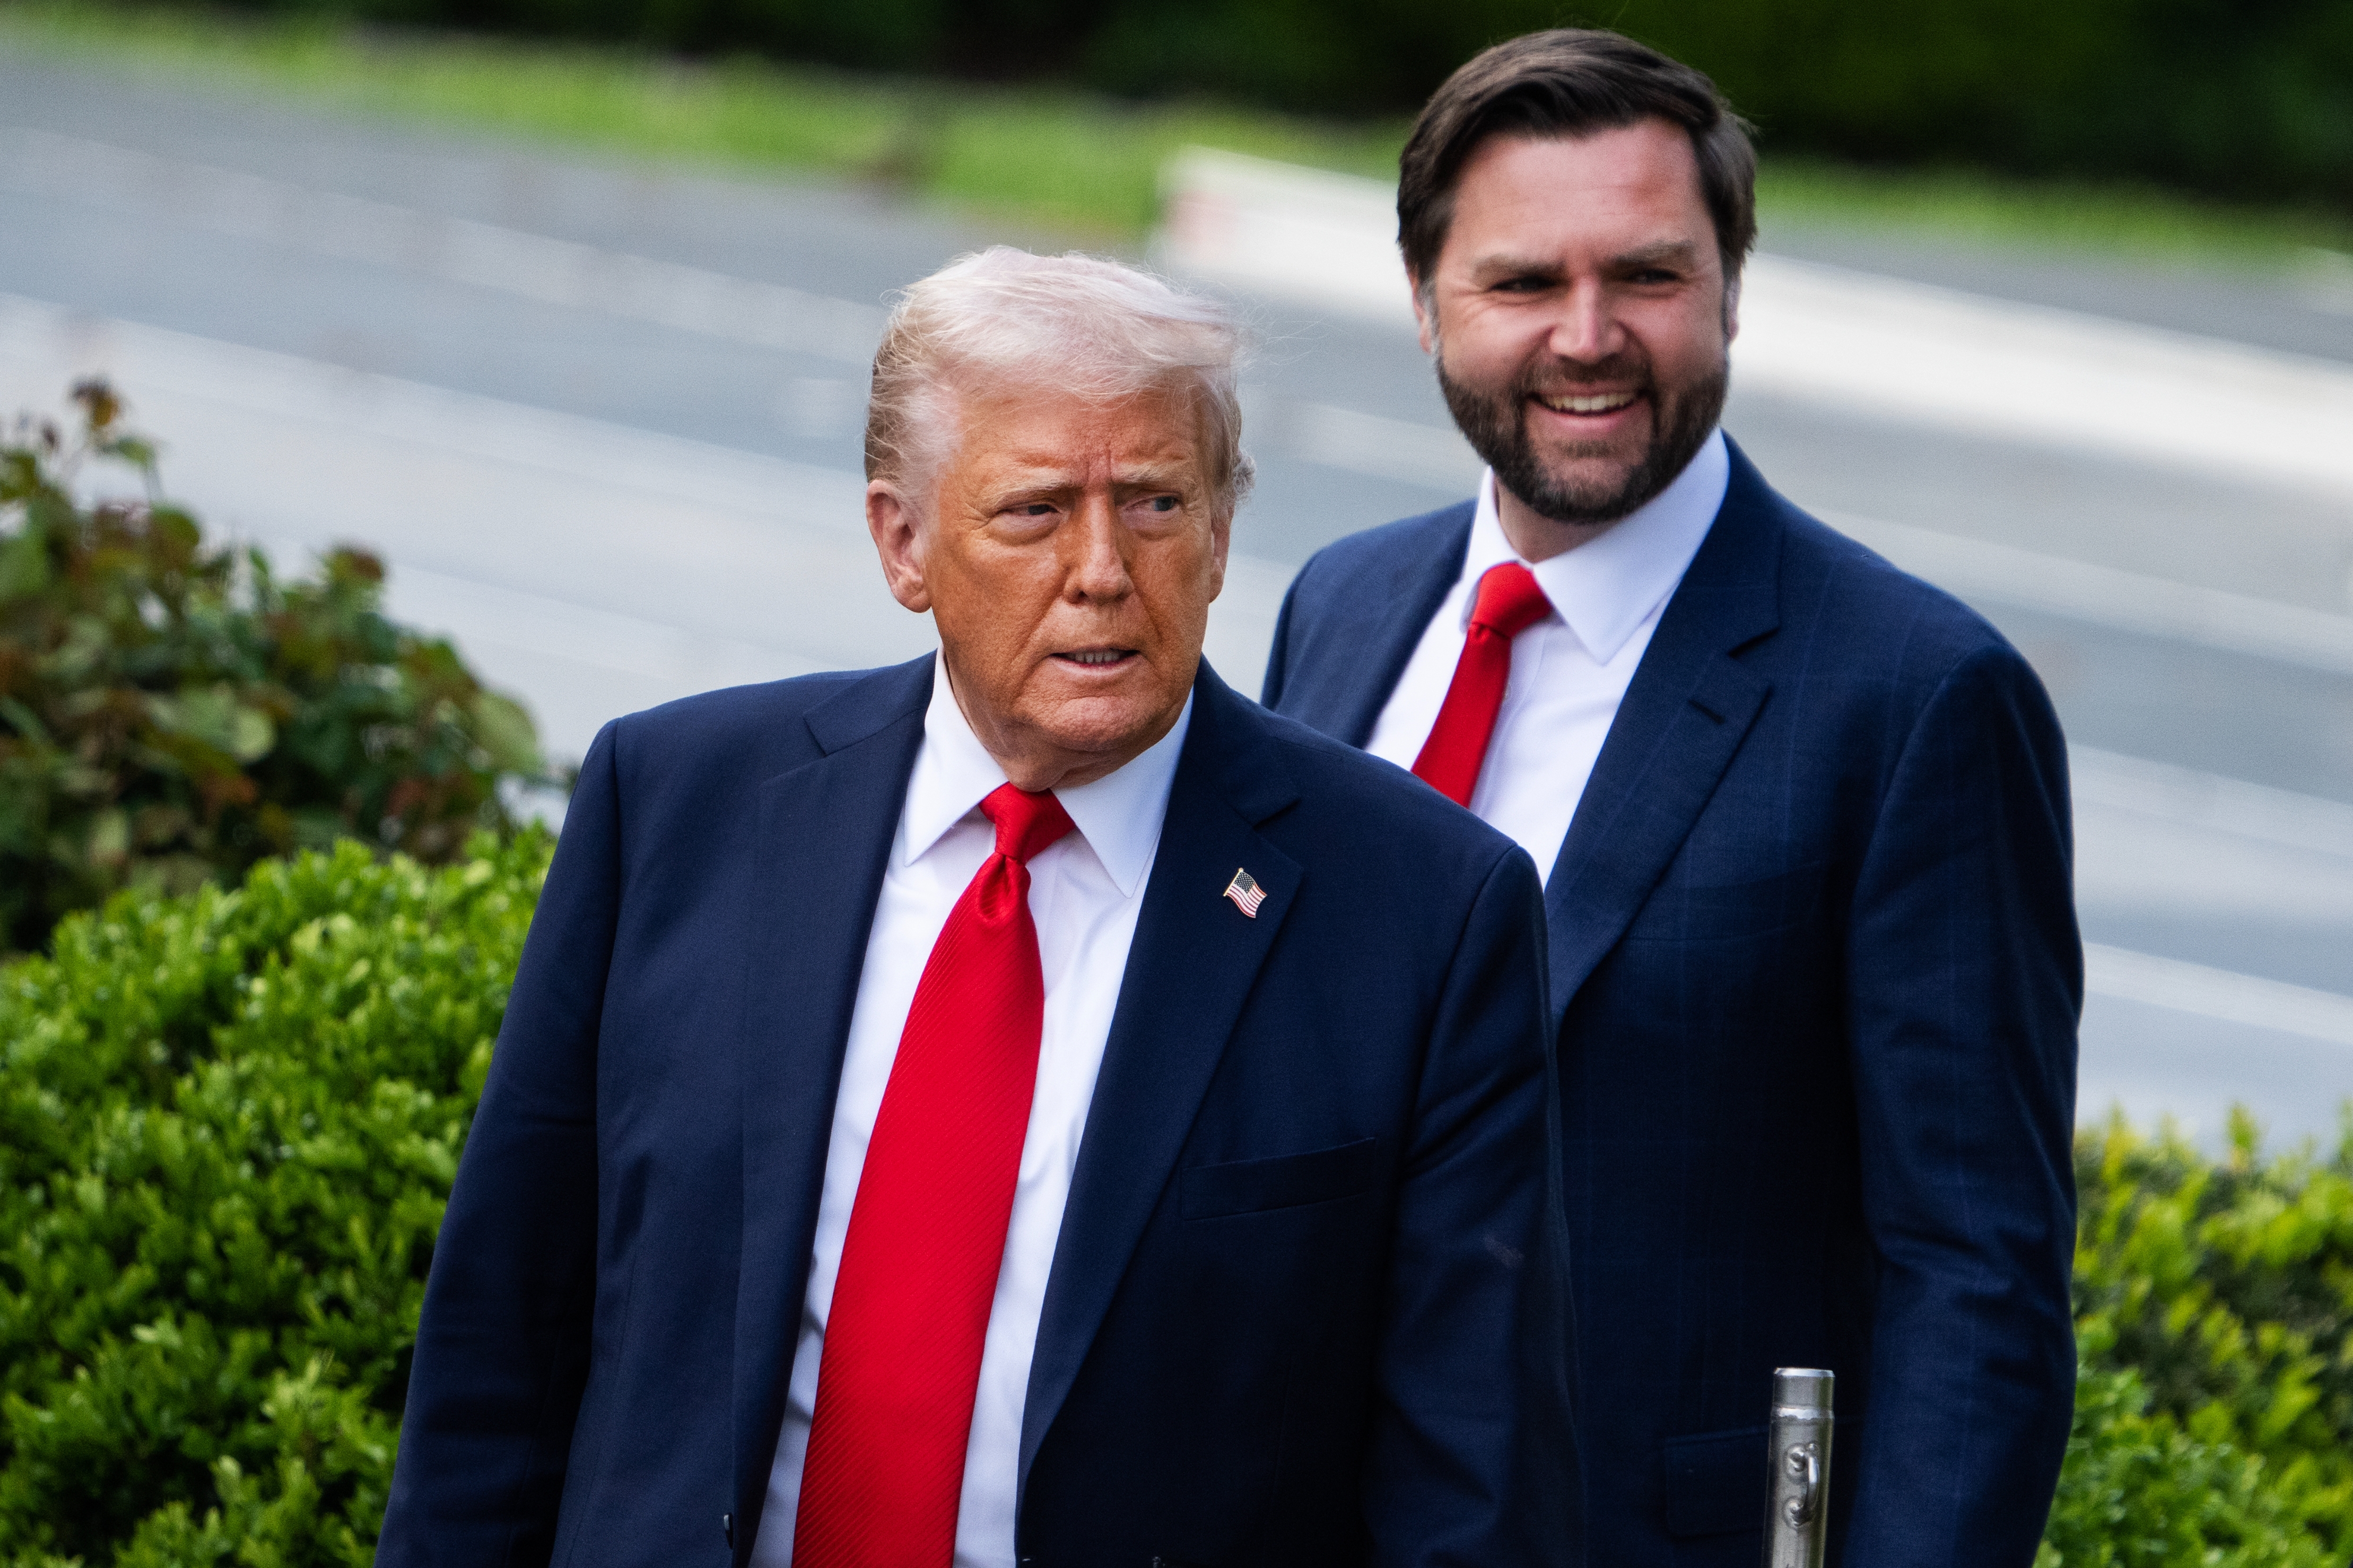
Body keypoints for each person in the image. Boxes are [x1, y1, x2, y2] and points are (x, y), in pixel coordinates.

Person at [377, 247, 1576, 1567]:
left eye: (1157, 502)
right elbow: (505, 1342)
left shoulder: (1419, 911)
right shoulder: (676, 803)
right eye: (1035, 510)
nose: (1103, 568)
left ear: (1222, 534)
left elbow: (1469, 1488)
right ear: (904, 541)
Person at [1261, 29, 2080, 1568]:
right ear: (1425, 302)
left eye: (1645, 275)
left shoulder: (1915, 696)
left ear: (1729, 290)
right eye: (1521, 282)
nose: (1587, 338)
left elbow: (1977, 1273)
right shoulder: (1343, 604)